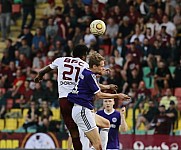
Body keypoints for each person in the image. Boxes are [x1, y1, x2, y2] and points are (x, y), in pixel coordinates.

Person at [34, 44, 117, 150]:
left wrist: (39, 76)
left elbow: (44, 70)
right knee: (87, 128)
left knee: (74, 133)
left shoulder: (61, 60)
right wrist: (105, 82)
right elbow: (90, 82)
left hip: (63, 101)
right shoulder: (84, 65)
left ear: (73, 54)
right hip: (77, 100)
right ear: (83, 56)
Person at [68, 51, 130, 150]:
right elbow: (99, 94)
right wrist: (117, 95)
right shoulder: (90, 75)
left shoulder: (86, 72)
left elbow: (94, 84)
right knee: (97, 145)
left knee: (106, 124)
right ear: (94, 66)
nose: (103, 68)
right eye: (101, 66)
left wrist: (107, 84)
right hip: (82, 110)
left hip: (83, 110)